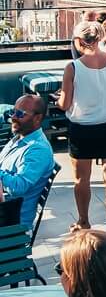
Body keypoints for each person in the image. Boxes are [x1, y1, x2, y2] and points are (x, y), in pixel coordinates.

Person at [57, 22, 106, 235]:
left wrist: (58, 100)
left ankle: (83, 221)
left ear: (79, 42)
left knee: (82, 179)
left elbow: (65, 104)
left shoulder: (73, 67)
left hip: (83, 129)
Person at [0, 94, 56, 231]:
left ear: (37, 118)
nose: (13, 117)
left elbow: (18, 187)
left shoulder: (38, 150)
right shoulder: (20, 137)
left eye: (19, 114)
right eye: (13, 112)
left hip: (11, 223)